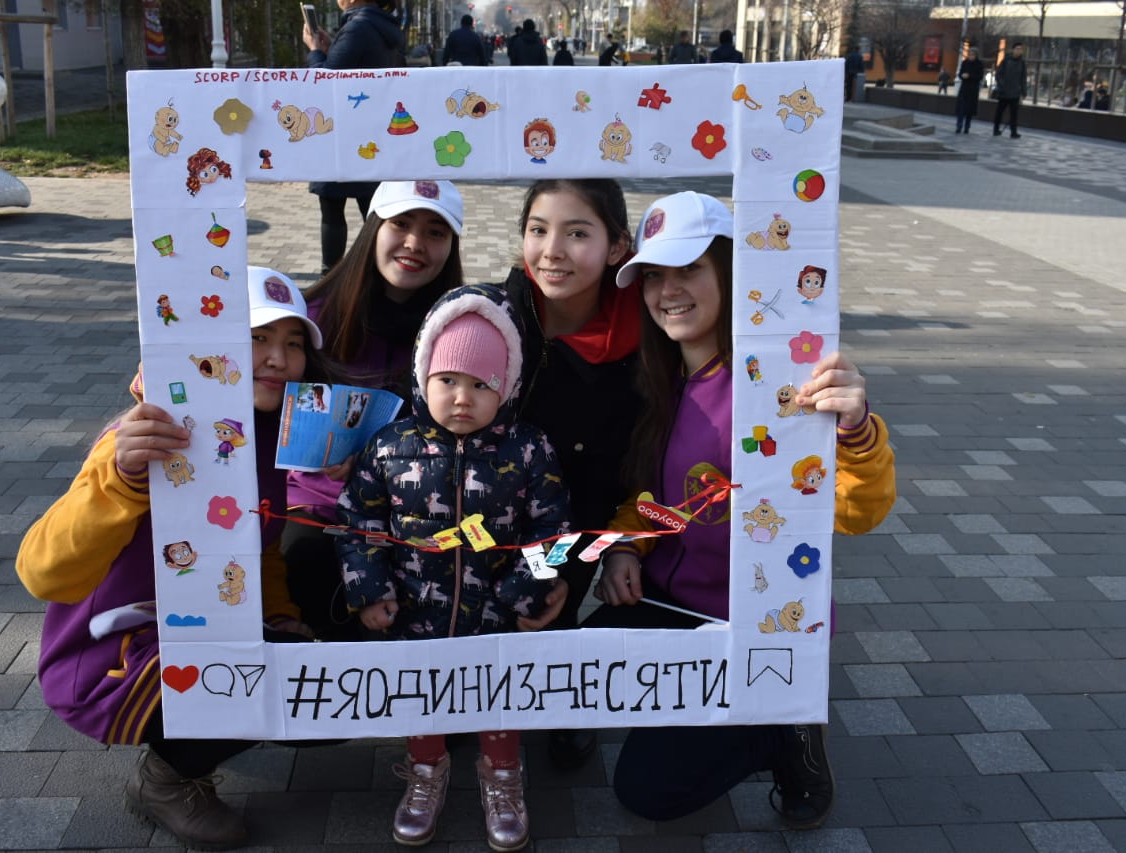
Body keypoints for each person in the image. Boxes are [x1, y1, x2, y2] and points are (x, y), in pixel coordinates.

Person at [583, 191, 896, 828]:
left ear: (731, 272)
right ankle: (712, 714)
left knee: (647, 792)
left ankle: (786, 728)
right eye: (654, 275)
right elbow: (660, 503)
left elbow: (857, 513)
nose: (668, 290)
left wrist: (856, 430)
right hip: (671, 607)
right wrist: (626, 548)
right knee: (574, 671)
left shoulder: (783, 386)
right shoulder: (658, 379)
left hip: (760, 628)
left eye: (689, 268)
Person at [16, 267, 328, 851]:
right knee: (284, 684)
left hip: (205, 626)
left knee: (319, 689)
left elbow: (261, 549)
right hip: (112, 655)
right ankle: (167, 778)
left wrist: (282, 617)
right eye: (257, 338)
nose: (278, 359)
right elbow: (41, 571)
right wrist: (121, 479)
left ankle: (205, 732)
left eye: (293, 343)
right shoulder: (142, 439)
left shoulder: (266, 437)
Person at [335, 284, 570, 851]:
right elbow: (357, 520)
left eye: (481, 384)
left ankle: (503, 776)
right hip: (416, 612)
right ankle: (425, 771)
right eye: (447, 380)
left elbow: (557, 533)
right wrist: (370, 590)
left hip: (498, 616)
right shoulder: (389, 447)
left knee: (500, 698)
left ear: (507, 386)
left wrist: (521, 593)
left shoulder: (529, 449)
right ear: (423, 377)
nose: (462, 397)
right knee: (423, 696)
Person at [283, 180, 465, 642]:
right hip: (318, 508)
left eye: (436, 232)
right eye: (400, 223)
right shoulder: (310, 318)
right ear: (372, 229)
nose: (415, 243)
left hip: (414, 512)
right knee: (307, 558)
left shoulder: (458, 331)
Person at [500, 179, 643, 769]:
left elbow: (648, 455)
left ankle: (560, 696)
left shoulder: (648, 335)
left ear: (617, 247)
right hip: (483, 515)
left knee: (548, 611)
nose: (553, 250)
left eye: (577, 233)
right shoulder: (494, 318)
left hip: (579, 522)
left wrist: (622, 542)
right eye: (538, 230)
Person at [303, 0, 406, 273]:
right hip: (370, 132)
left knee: (333, 212)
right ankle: (379, 275)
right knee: (373, 212)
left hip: (343, 134)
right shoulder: (382, 26)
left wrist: (314, 51)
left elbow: (324, 82)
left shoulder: (357, 27)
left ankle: (331, 279)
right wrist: (330, 49)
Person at [992, 42, 1027, 138]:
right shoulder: (1006, 60)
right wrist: (1002, 85)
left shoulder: (1022, 63)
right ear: (1013, 50)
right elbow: (998, 74)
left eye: (1021, 49)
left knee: (1014, 114)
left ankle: (1013, 132)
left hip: (1015, 92)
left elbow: (1023, 78)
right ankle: (996, 129)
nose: (1019, 51)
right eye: (1017, 49)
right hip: (1004, 92)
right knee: (999, 112)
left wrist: (1024, 92)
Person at [955, 46, 983, 133]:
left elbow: (980, 76)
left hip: (973, 89)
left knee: (969, 110)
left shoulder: (979, 64)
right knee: (961, 108)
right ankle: (959, 126)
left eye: (972, 55)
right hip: (964, 88)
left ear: (976, 55)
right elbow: (960, 73)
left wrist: (970, 76)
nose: (971, 56)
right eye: (970, 54)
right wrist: (962, 75)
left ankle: (967, 127)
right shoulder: (965, 63)